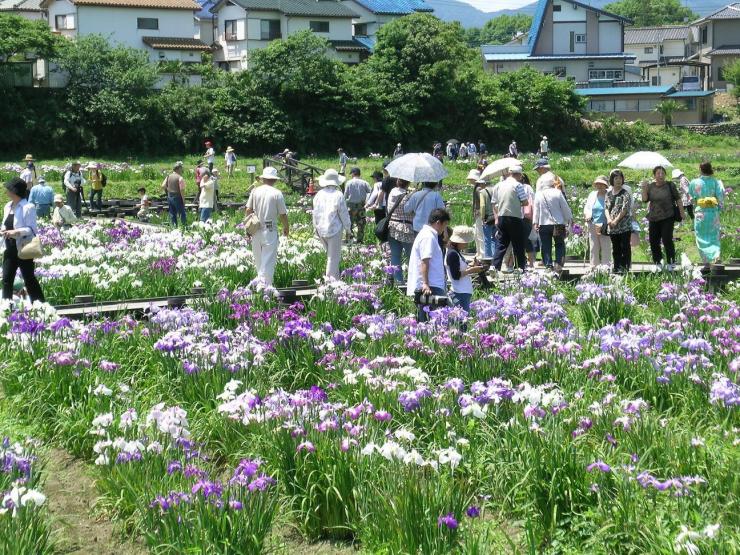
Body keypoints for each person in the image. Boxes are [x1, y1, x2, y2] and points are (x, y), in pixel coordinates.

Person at [1, 178, 44, 303]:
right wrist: (3, 230)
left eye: (8, 189)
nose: (6, 192)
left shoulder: (28, 207)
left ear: (14, 191)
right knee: (7, 279)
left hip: (23, 246)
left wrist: (17, 232)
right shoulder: (7, 206)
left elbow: (32, 229)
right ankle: (6, 307)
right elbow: (5, 224)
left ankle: (40, 305)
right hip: (9, 246)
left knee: (28, 278)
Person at [245, 167, 289, 286]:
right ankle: (265, 289)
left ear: (263, 178)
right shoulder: (277, 193)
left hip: (255, 229)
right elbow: (283, 214)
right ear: (274, 180)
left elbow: (248, 209)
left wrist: (247, 228)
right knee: (268, 262)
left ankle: (258, 288)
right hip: (269, 229)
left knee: (259, 263)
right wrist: (286, 227)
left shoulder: (255, 191)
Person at [407, 208, 451, 322]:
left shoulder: (429, 235)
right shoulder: (428, 236)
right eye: (445, 225)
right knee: (433, 320)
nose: (444, 228)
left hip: (432, 283)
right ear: (438, 223)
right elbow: (424, 261)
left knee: (429, 320)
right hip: (431, 285)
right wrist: (425, 283)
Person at [642, 165, 684, 268]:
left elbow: (678, 199)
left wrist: (682, 213)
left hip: (668, 216)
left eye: (662, 173)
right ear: (654, 175)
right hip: (654, 217)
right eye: (658, 173)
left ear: (665, 174)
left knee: (667, 239)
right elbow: (644, 200)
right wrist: (644, 188)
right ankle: (657, 263)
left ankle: (671, 262)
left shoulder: (670, 185)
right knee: (653, 241)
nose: (660, 175)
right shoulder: (650, 186)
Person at [313, 169, 351, 279]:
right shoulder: (338, 195)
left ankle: (335, 279)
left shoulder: (319, 194)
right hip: (334, 228)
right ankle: (331, 283)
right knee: (333, 258)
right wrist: (348, 229)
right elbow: (343, 213)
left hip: (320, 228)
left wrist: (315, 227)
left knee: (330, 256)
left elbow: (315, 212)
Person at [491, 166, 529, 272]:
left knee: (501, 243)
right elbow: (525, 202)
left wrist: (496, 217)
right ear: (519, 175)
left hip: (502, 217)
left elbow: (493, 202)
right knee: (518, 244)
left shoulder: (498, 185)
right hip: (515, 217)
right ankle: (520, 267)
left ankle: (494, 266)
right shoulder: (518, 185)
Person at [533, 172, 572, 272]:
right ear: (552, 183)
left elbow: (536, 210)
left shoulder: (539, 194)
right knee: (559, 243)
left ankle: (548, 265)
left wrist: (535, 222)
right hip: (558, 223)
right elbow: (565, 208)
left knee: (546, 245)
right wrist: (569, 219)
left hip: (543, 223)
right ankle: (558, 264)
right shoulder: (557, 192)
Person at [689, 161, 725, 266]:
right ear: (710, 169)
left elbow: (691, 198)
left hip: (701, 213)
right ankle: (716, 256)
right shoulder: (716, 182)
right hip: (713, 213)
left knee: (701, 237)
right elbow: (720, 198)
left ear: (700, 169)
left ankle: (706, 263)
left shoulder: (694, 182)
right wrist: (718, 208)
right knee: (714, 236)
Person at [445, 226, 485, 314]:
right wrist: (472, 270)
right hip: (459, 293)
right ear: (457, 242)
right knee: (461, 322)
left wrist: (472, 265)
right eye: (465, 241)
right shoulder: (452, 254)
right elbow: (456, 275)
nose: (467, 244)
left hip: (463, 292)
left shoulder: (456, 252)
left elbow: (459, 267)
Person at [605, 170, 632, 274]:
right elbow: (606, 208)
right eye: (616, 178)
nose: (618, 181)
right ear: (612, 180)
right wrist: (609, 220)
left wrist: (616, 220)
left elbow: (625, 209)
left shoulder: (625, 193)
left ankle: (625, 267)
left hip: (623, 225)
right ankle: (616, 267)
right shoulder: (608, 194)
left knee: (624, 246)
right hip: (612, 226)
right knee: (615, 248)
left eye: (620, 178)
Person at [387, 179, 413, 283]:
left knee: (395, 255)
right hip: (405, 227)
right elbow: (409, 210)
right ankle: (412, 281)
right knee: (411, 256)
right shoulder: (407, 196)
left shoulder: (392, 192)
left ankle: (398, 281)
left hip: (392, 226)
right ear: (408, 183)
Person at [584, 176, 611, 269]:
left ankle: (605, 267)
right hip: (593, 223)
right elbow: (587, 207)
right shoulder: (592, 194)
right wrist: (587, 215)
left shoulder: (610, 195)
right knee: (593, 246)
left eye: (602, 184)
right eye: (597, 184)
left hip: (605, 224)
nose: (599, 186)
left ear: (606, 185)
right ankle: (593, 266)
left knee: (606, 246)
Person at [344, 167, 370, 243]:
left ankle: (349, 239)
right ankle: (360, 240)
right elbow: (370, 192)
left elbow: (345, 195)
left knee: (349, 223)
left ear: (353, 173)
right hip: (361, 205)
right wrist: (367, 201)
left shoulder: (349, 183)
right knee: (361, 223)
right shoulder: (365, 183)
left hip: (351, 206)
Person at [162, 161, 187, 227]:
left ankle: (174, 227)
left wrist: (168, 191)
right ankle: (184, 228)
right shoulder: (180, 178)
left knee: (172, 213)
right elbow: (181, 190)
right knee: (182, 214)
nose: (182, 169)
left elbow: (163, 186)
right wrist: (183, 200)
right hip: (177, 197)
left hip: (170, 196)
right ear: (178, 169)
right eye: (181, 168)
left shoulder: (168, 176)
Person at [467, 169, 485, 258]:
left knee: (479, 234)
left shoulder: (478, 189)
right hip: (477, 213)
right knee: (477, 234)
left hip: (479, 214)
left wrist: (480, 212)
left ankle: (482, 253)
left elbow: (482, 202)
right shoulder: (477, 187)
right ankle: (479, 252)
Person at [479, 177, 497, 259]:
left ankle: (488, 258)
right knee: (495, 238)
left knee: (487, 239)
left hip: (487, 217)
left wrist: (482, 218)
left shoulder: (482, 192)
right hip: (496, 216)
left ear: (484, 183)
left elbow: (482, 206)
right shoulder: (495, 190)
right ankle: (495, 256)